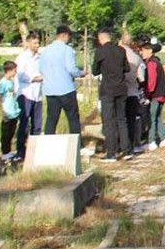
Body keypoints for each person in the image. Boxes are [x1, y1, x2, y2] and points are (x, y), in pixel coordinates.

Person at [93, 28, 130, 161]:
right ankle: (126, 150)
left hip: (107, 89)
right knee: (122, 119)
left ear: (101, 38)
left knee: (109, 121)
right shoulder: (121, 50)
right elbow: (127, 68)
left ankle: (111, 153)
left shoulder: (100, 51)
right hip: (121, 88)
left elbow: (95, 71)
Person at [40, 26, 84, 135]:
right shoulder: (67, 50)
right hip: (66, 89)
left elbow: (40, 69)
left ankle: (48, 142)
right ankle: (76, 144)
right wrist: (81, 73)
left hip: (50, 89)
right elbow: (71, 69)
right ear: (64, 35)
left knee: (51, 118)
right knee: (72, 117)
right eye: (69, 36)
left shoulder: (46, 50)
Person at [14, 34, 43, 160]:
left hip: (38, 94)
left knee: (37, 125)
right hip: (26, 93)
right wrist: (35, 79)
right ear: (29, 43)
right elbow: (20, 75)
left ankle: (35, 150)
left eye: (38, 43)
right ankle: (20, 151)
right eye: (35, 43)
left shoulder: (39, 57)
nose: (37, 45)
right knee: (24, 124)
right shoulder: (22, 57)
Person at [141, 41, 165, 150]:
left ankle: (151, 141)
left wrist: (148, 94)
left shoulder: (151, 63)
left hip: (155, 95)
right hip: (162, 94)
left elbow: (151, 82)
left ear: (149, 51)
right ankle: (164, 138)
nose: (141, 53)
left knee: (151, 118)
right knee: (157, 117)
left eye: (143, 51)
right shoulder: (156, 61)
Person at [120, 33, 145, 155]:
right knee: (132, 120)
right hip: (133, 92)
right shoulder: (136, 57)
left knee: (120, 120)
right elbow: (141, 78)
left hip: (120, 91)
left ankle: (122, 145)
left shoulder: (118, 54)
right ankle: (132, 145)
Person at [0, 61, 20, 160]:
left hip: (13, 111)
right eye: (15, 70)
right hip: (7, 111)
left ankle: (9, 151)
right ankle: (5, 152)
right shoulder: (3, 82)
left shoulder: (11, 81)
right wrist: (2, 110)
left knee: (11, 132)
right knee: (5, 133)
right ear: (9, 71)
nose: (16, 72)